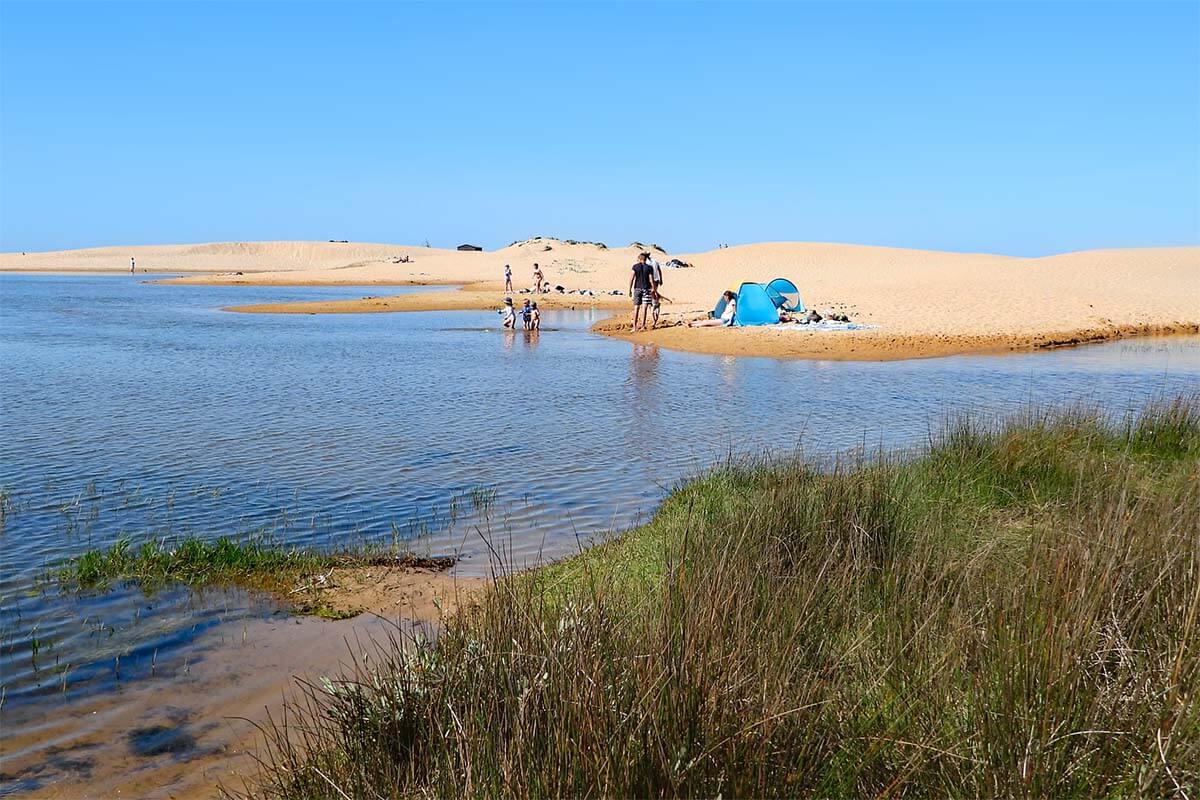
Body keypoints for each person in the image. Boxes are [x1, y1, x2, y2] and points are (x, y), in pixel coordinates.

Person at [627, 252, 657, 332]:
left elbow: (631, 278)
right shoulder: (649, 267)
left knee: (636, 307)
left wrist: (629, 289)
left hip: (637, 288)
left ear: (639, 259)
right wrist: (654, 289)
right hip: (646, 289)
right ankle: (643, 326)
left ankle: (634, 327)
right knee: (645, 308)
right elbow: (651, 279)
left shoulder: (635, 267)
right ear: (645, 259)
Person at [647, 254, 664, 327]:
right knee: (653, 294)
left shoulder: (647, 262)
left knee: (651, 295)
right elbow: (659, 270)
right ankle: (654, 307)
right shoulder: (655, 261)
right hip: (656, 280)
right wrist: (661, 279)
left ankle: (654, 308)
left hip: (650, 281)